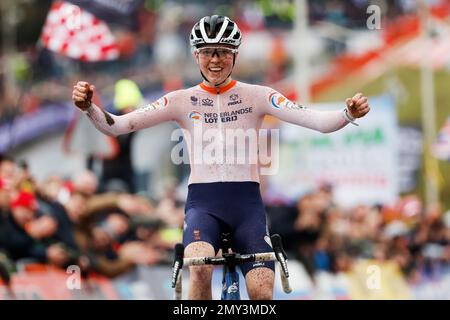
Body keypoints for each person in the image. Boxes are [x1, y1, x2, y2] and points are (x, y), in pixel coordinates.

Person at [72, 15, 370, 299]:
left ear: (235, 55)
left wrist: (348, 114)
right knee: (199, 267)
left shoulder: (259, 95)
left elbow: (317, 121)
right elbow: (119, 126)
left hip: (247, 207)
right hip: (204, 204)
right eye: (208, 52)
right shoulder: (180, 100)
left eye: (223, 52)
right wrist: (90, 108)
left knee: (262, 290)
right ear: (196, 56)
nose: (215, 60)